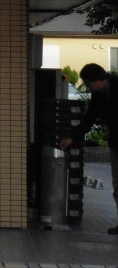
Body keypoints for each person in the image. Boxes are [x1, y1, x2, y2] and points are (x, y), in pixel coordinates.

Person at [60, 62, 118, 235]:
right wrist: (73, 136)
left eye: (88, 83)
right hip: (116, 143)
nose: (87, 87)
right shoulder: (98, 94)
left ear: (100, 79)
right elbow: (89, 117)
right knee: (117, 184)